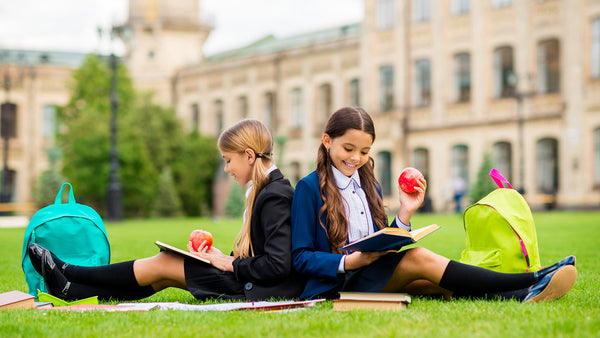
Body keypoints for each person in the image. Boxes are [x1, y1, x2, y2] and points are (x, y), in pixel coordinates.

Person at [291, 106, 577, 302]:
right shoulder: (308, 188)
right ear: (327, 141)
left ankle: (521, 293)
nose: (356, 158)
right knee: (419, 258)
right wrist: (348, 261)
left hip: (370, 273)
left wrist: (405, 212)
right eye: (348, 149)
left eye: (364, 151)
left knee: (436, 283)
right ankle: (529, 280)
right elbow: (300, 257)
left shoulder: (369, 184)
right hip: (337, 284)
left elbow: (380, 241)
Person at [29, 119, 305, 301]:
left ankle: (71, 273)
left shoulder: (275, 195)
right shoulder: (267, 190)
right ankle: (72, 288)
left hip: (256, 290)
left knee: (165, 264)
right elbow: (264, 254)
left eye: (228, 160)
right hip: (251, 283)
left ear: (248, 155)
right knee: (163, 270)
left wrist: (231, 263)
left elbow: (279, 265)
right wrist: (221, 257)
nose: (227, 169)